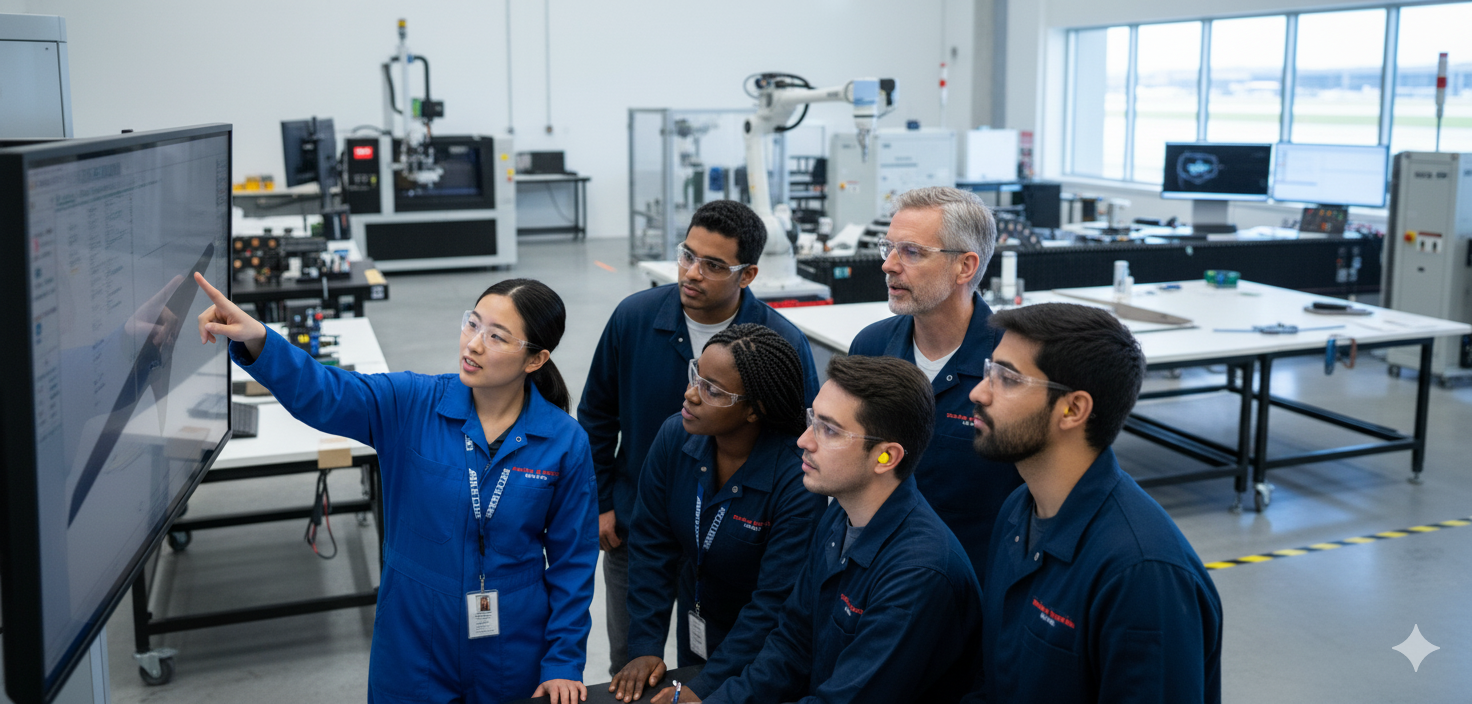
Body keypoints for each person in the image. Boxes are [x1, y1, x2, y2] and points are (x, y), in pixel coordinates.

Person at [193, 274, 598, 704]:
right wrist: (260, 339)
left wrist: (563, 663)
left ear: (535, 360)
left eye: (497, 337)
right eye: (472, 323)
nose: (473, 344)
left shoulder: (563, 442)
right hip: (414, 638)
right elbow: (326, 391)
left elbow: (573, 561)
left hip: (512, 644)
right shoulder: (412, 404)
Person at [578, 199, 821, 675]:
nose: (691, 272)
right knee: (630, 662)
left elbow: (801, 442)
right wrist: (601, 500)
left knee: (715, 664)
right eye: (687, 255)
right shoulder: (634, 318)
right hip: (636, 523)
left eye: (712, 265)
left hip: (734, 538)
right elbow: (596, 416)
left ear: (747, 275)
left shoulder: (780, 343)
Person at [966, 303, 1223, 703]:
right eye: (989, 371)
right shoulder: (1019, 513)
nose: (978, 392)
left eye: (1008, 379)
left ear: (1072, 409)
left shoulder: (1141, 576)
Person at [700, 355, 982, 704]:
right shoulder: (840, 516)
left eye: (829, 430)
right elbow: (792, 643)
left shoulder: (919, 573)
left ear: (886, 457)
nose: (804, 440)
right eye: (812, 420)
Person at [612, 324, 828, 704]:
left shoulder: (796, 478)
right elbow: (651, 547)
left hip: (766, 653)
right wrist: (646, 643)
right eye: (696, 375)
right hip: (698, 620)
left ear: (753, 411)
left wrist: (707, 686)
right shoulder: (674, 438)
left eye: (712, 390)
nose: (690, 394)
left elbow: (774, 602)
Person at [846, 186, 1019, 579]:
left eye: (910, 252)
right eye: (888, 247)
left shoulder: (1011, 369)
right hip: (874, 577)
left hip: (969, 589)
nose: (889, 265)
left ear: (965, 266)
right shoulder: (871, 347)